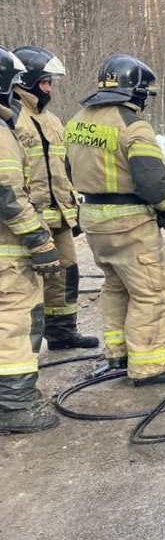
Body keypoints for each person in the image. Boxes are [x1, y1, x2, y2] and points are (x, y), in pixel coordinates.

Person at [65, 54, 165, 385]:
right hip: (130, 223)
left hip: (94, 219)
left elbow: (69, 171)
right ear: (136, 90)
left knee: (116, 286)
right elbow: (154, 183)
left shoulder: (77, 121)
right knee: (151, 289)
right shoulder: (133, 127)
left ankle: (117, 356)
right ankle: (148, 366)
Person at [13, 46, 98, 350]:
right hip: (30, 219)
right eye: (45, 82)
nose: (50, 88)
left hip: (59, 214)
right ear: (27, 80)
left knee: (66, 272)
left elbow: (63, 169)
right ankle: (26, 350)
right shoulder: (12, 119)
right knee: (32, 282)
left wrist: (73, 209)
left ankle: (62, 333)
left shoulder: (52, 121)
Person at [0, 47, 62, 434]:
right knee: (13, 320)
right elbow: (7, 195)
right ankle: (14, 406)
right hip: (8, 253)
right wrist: (40, 241)